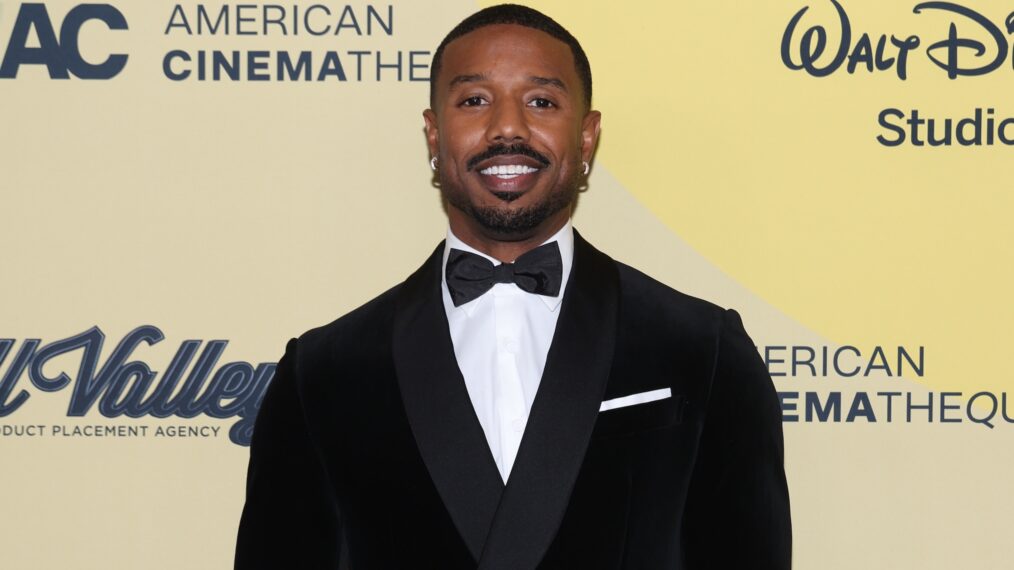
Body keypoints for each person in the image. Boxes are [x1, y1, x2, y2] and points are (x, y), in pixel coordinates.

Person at [234, 4, 791, 569]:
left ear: (588, 136)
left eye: (541, 101)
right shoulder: (323, 374)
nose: (507, 127)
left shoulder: (704, 350)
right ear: (434, 133)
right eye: (474, 100)